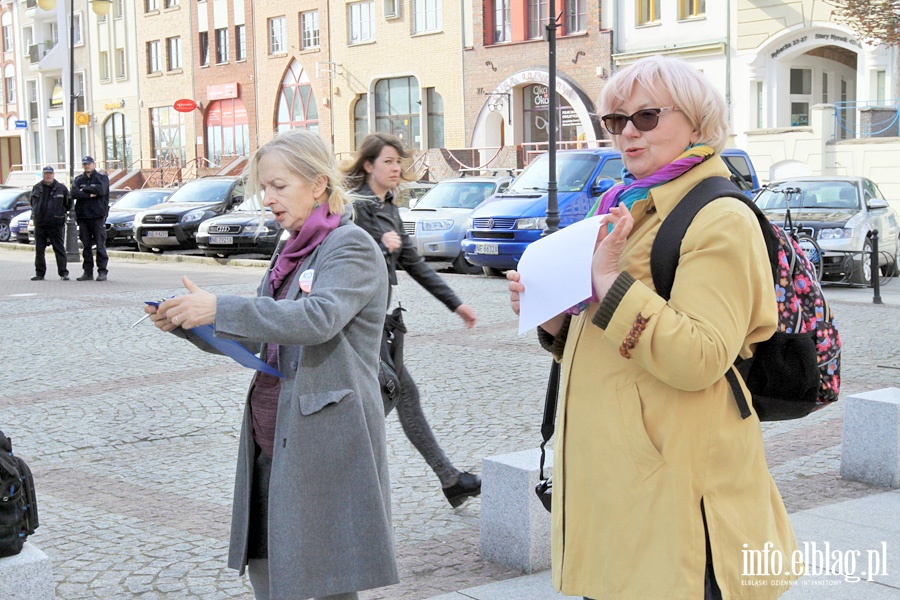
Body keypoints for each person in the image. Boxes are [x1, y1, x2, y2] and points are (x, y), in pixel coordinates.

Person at [507, 55, 798, 600]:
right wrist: (554, 318)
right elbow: (609, 338)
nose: (627, 134)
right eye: (615, 121)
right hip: (621, 491)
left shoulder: (719, 217)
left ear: (697, 121)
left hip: (678, 496)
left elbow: (700, 356)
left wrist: (609, 280)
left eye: (645, 117)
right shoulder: (627, 206)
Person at [145, 129, 398, 600]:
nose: (268, 198)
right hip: (273, 435)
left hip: (323, 441)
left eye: (279, 186)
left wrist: (219, 307)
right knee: (270, 570)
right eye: (264, 187)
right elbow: (262, 333)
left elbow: (317, 318)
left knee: (323, 582)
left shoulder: (350, 245)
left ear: (319, 184)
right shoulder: (291, 248)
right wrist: (186, 322)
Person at [345, 132, 482, 508]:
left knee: (396, 396)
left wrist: (456, 304)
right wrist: (377, 245)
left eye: (398, 162)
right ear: (369, 165)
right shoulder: (352, 209)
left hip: (380, 323)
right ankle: (446, 480)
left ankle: (451, 479)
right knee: (383, 400)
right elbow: (340, 255)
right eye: (388, 161)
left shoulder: (390, 210)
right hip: (354, 322)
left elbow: (414, 263)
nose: (395, 168)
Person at [71, 155, 110, 281]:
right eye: (85, 164)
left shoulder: (101, 178)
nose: (87, 166)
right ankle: (87, 272)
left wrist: (85, 189)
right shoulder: (78, 179)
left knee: (100, 245)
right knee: (86, 246)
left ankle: (102, 271)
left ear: (93, 164)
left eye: (89, 164)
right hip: (83, 216)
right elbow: (74, 193)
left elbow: (101, 190)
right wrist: (90, 194)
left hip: (97, 216)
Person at [30, 166, 71, 281]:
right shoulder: (36, 188)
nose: (48, 176)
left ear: (53, 174)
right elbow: (32, 203)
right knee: (39, 249)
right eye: (46, 174)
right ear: (43, 174)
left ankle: (63, 273)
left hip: (56, 223)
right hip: (40, 223)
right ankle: (39, 273)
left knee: (59, 248)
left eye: (50, 173)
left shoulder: (61, 188)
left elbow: (68, 204)